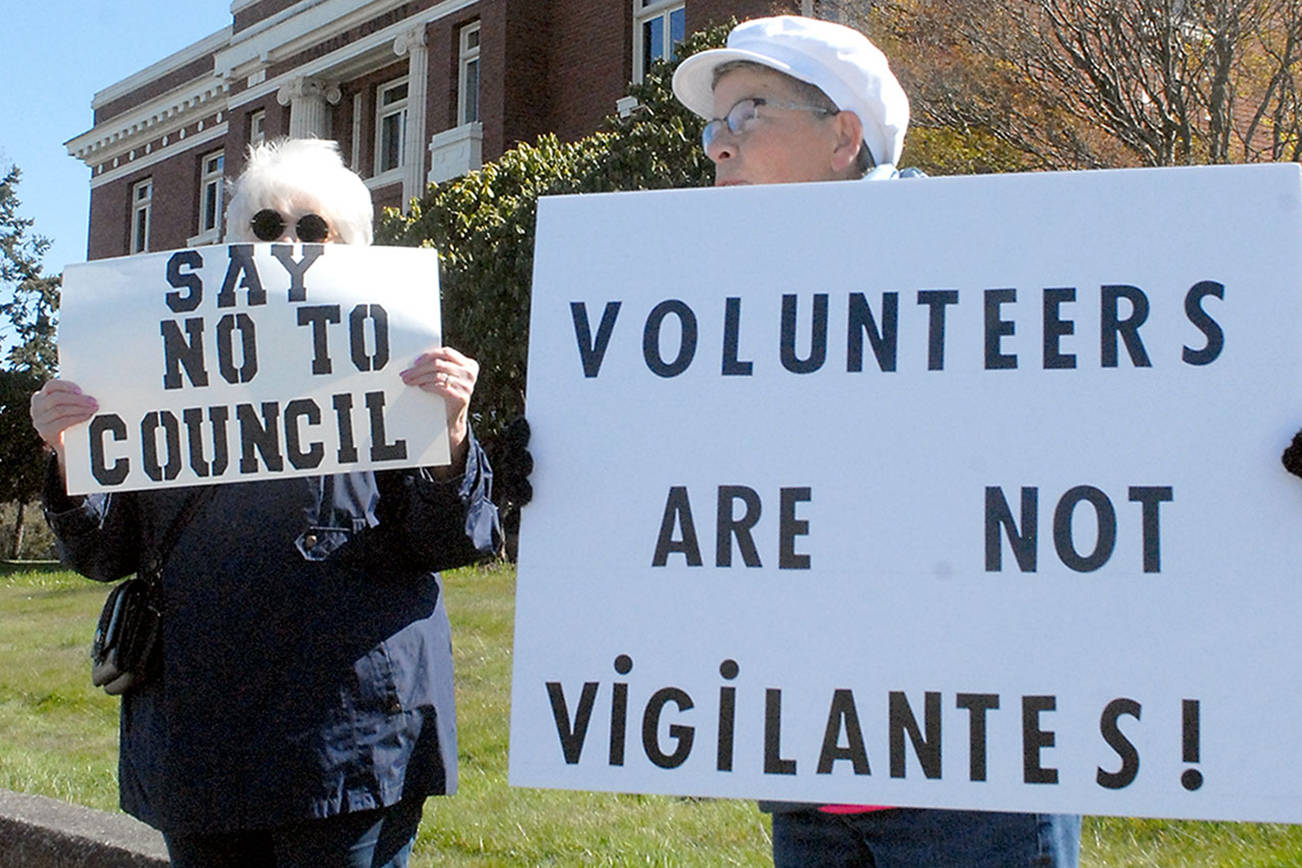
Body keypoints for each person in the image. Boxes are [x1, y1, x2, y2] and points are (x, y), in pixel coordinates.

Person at [672, 16, 1081, 868]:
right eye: (713, 125)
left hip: (976, 783)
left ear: (843, 137)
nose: (718, 146)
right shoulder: (716, 314)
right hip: (811, 778)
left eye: (748, 113)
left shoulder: (988, 274)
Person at [30, 138, 500, 867]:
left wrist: (452, 432)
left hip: (350, 738)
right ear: (235, 244)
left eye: (313, 231)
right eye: (267, 227)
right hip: (200, 739)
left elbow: (449, 541)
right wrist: (69, 455)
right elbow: (104, 552)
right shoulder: (156, 374)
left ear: (350, 249)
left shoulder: (398, 371)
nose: (288, 245)